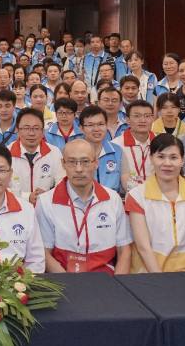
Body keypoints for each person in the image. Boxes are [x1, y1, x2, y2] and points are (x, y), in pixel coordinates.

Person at [36, 138, 131, 274]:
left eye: (85, 162)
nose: (79, 169)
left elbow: (124, 250)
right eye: (72, 162)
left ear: (96, 163)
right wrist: (69, 283)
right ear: (63, 164)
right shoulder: (46, 202)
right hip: (63, 278)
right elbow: (44, 253)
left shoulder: (113, 199)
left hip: (106, 278)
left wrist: (118, 283)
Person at [125, 134, 185, 272]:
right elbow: (143, 247)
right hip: (148, 274)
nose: (167, 163)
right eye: (161, 157)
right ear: (151, 158)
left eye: (173, 157)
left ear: (183, 160)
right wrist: (160, 280)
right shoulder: (137, 196)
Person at [8, 107, 64, 203]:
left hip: (46, 207)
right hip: (16, 208)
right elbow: (1, 188)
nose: (31, 133)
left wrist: (47, 195)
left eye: (36, 128)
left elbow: (62, 183)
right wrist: (27, 197)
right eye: (26, 128)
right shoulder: (6, 154)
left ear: (43, 131)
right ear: (17, 129)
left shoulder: (54, 152)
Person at [79, 105, 122, 193]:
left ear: (106, 125)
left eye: (101, 124)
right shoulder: (73, 151)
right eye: (90, 125)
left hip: (112, 199)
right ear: (81, 128)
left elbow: (124, 180)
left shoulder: (117, 151)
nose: (96, 129)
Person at [119, 100, 155, 194]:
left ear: (153, 118)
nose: (142, 120)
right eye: (137, 116)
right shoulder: (116, 145)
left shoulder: (161, 143)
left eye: (147, 116)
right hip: (128, 195)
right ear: (127, 119)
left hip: (156, 194)